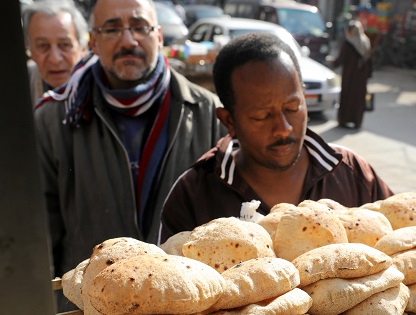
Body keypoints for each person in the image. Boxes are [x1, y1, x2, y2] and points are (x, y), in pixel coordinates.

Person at [33, 0, 223, 309]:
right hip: (92, 305)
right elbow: (43, 233)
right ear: (93, 41)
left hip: (182, 303)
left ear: (159, 36)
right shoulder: (56, 119)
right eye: (112, 29)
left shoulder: (208, 114)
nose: (128, 40)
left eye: (139, 27)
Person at [159, 33, 394, 242]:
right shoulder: (193, 194)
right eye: (262, 116)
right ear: (229, 121)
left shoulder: (353, 174)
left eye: (293, 108)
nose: (283, 129)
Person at [21, 1, 88, 106]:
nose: (55, 59)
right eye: (43, 46)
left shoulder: (103, 85)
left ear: (83, 48)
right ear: (29, 48)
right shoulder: (20, 84)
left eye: (65, 45)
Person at [330, 20, 372, 129]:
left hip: (350, 77)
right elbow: (370, 60)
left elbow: (341, 59)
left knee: (347, 97)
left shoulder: (348, 43)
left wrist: (331, 63)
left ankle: (344, 120)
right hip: (362, 77)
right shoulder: (366, 42)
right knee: (358, 98)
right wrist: (368, 75)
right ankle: (357, 121)